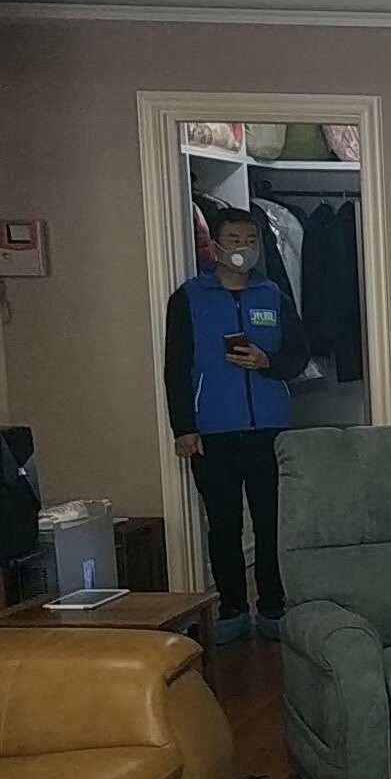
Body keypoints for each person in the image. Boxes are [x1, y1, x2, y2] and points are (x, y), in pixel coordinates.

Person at [163, 208, 308, 643]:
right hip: (213, 430)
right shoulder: (189, 299)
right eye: (234, 239)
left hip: (270, 428)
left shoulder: (273, 295)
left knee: (271, 522)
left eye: (251, 240)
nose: (243, 247)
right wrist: (183, 427)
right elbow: (176, 367)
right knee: (223, 524)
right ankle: (231, 608)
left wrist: (268, 363)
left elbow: (298, 356)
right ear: (215, 246)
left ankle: (273, 606)